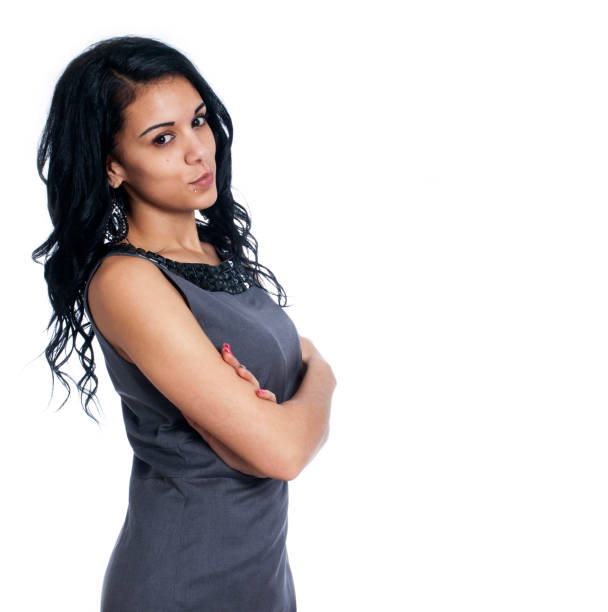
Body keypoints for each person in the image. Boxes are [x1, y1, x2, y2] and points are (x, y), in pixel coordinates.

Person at [32, 35, 336, 611]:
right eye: (163, 138)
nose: (199, 150)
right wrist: (322, 375)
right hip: (182, 582)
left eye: (198, 121)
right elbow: (283, 454)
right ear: (113, 165)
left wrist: (267, 421)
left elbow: (269, 443)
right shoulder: (128, 281)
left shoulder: (218, 253)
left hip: (263, 578)